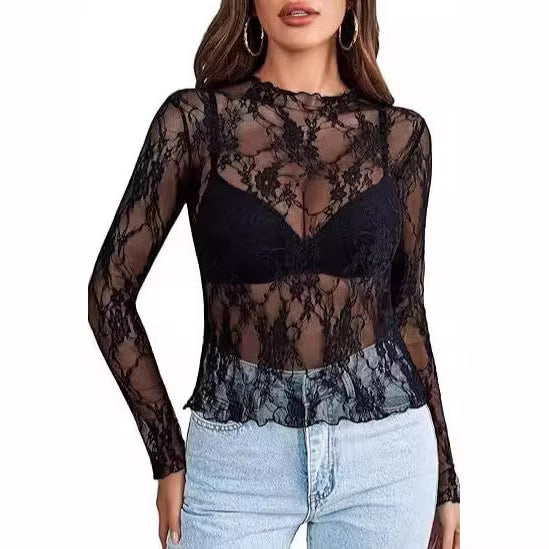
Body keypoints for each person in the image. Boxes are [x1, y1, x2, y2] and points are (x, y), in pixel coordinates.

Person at [87, 1, 461, 547]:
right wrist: (166, 453)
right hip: (236, 459)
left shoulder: (400, 136)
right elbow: (109, 295)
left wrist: (446, 480)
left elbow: (407, 310)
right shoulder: (195, 122)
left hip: (387, 455)